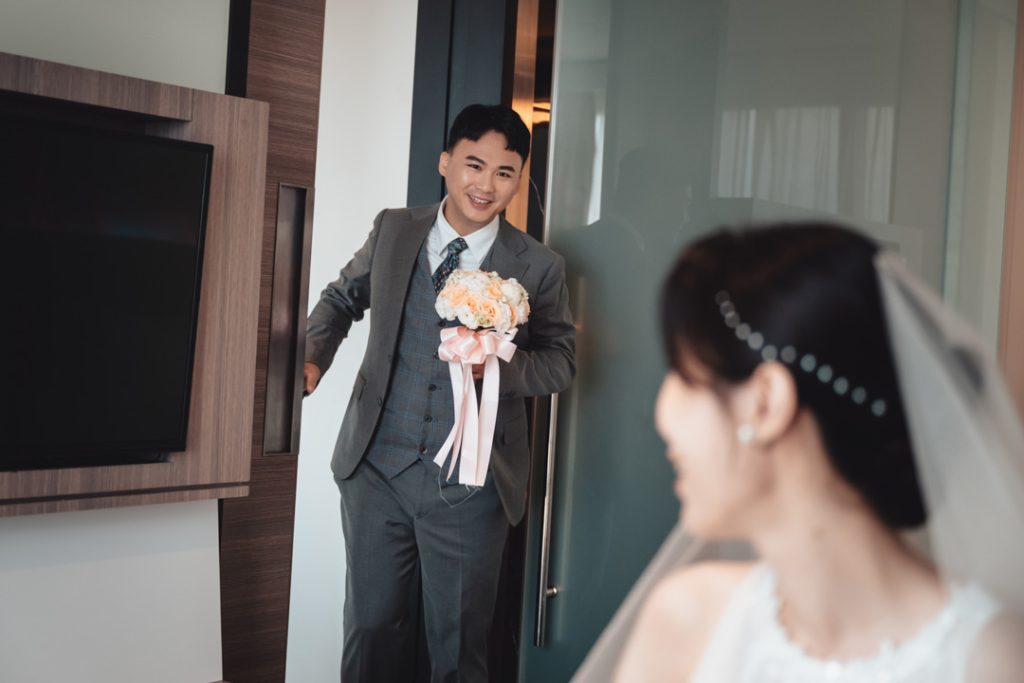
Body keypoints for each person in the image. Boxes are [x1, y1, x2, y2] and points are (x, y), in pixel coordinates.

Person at [578, 223, 1024, 682]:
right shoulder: (686, 620)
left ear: (766, 402)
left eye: (683, 376)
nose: (662, 414)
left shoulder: (993, 663)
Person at [303, 103, 575, 682]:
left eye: (504, 172)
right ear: (445, 162)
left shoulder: (538, 266)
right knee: (370, 631)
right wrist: (311, 356)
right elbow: (341, 299)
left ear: (519, 180)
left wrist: (497, 366)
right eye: (474, 165)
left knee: (457, 647)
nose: (486, 185)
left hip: (470, 486)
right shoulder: (394, 229)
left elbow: (561, 363)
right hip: (376, 469)